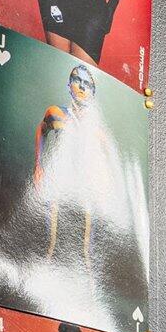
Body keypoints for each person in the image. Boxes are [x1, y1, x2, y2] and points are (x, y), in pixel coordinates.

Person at [29, 62, 127, 275]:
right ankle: (45, 271)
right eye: (77, 81)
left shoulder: (97, 130)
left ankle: (85, 280)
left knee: (84, 248)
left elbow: (107, 162)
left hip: (84, 185)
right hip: (60, 179)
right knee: (51, 239)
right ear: (69, 84)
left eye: (87, 84)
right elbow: (41, 129)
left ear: (92, 92)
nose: (82, 87)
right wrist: (39, 165)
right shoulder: (56, 113)